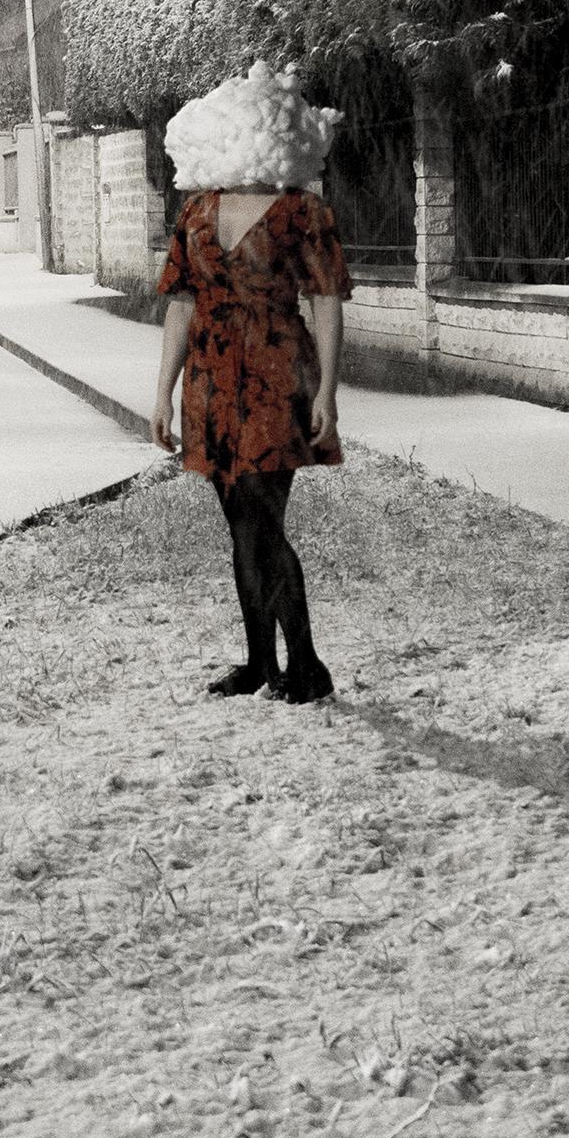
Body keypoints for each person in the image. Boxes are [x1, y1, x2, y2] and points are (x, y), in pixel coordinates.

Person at [149, 65, 351, 704]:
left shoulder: (303, 212)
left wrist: (327, 392)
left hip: (276, 378)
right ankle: (263, 662)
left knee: (260, 522)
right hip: (209, 382)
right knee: (241, 524)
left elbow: (326, 301)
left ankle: (307, 665)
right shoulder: (196, 211)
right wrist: (163, 392)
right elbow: (181, 302)